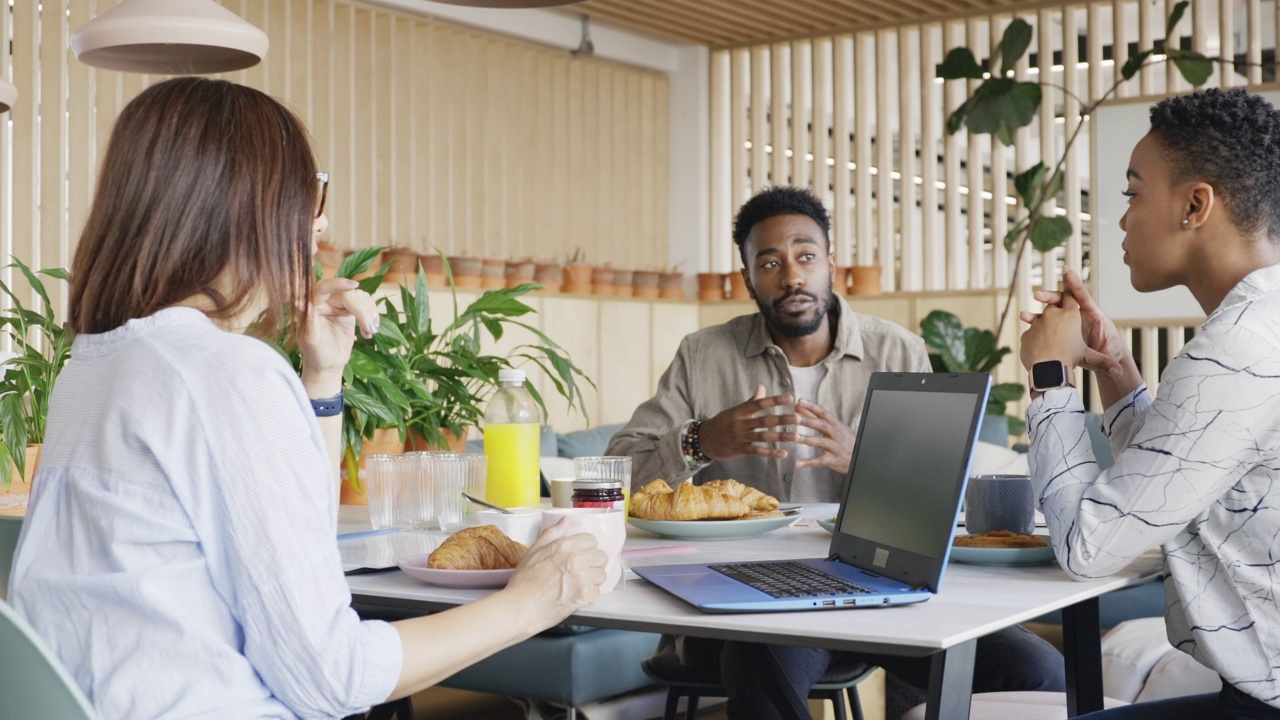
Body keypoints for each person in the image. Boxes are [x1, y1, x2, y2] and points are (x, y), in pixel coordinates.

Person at [6, 77, 607, 720]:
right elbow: (332, 675)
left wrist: (321, 382)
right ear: (245, 208)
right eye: (310, 197)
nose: (320, 225)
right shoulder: (225, 372)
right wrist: (535, 601)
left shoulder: (96, 364)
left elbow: (295, 557)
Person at [608, 185, 1064, 719]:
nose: (792, 276)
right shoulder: (703, 355)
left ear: (831, 265)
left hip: (879, 587)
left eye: (805, 256)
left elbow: (937, 497)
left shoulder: (897, 350)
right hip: (754, 595)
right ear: (748, 278)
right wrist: (702, 439)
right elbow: (620, 469)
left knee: (1040, 672)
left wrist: (867, 460)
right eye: (770, 262)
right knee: (761, 667)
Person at [1019, 86, 1280, 720]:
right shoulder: (1260, 325)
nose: (1122, 219)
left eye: (1133, 194)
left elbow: (1089, 547)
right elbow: (1167, 488)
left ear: (1195, 205)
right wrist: (1116, 370)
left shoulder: (1237, 348)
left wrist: (1050, 377)